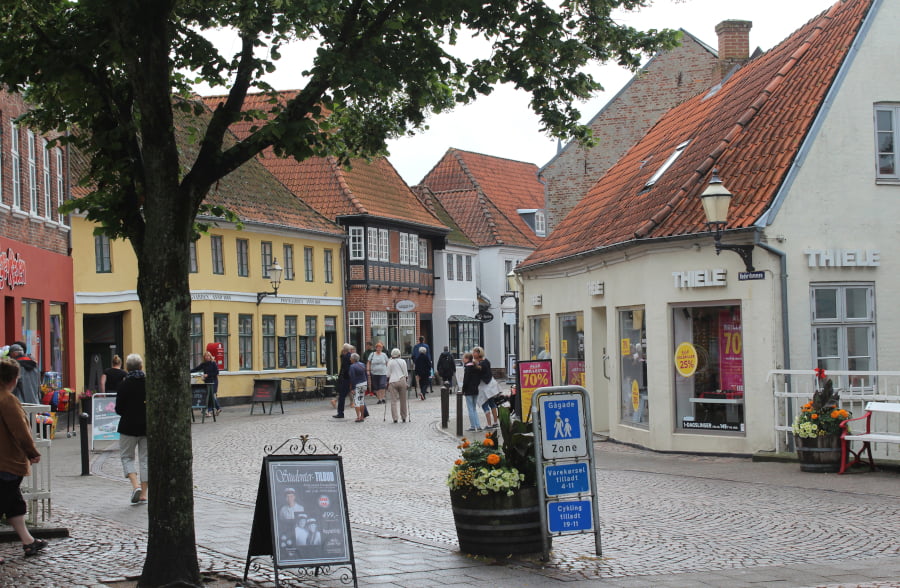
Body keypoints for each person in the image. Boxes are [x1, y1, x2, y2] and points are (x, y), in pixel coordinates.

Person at [0, 357, 48, 561]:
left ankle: (28, 542)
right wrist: (32, 452)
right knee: (4, 500)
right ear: (12, 379)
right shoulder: (7, 400)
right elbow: (20, 430)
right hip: (6, 461)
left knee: (14, 504)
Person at [115, 353, 148, 504]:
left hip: (127, 426)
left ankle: (135, 486)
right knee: (145, 459)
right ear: (141, 367)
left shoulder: (123, 385)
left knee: (127, 457)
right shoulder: (148, 383)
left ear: (127, 368)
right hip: (146, 426)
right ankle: (144, 494)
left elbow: (119, 409)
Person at [473, 346, 498, 428]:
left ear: (478, 354)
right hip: (490, 386)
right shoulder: (486, 361)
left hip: (484, 387)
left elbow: (478, 375)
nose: (473, 354)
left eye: (474, 352)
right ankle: (495, 422)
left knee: (484, 404)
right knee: (492, 404)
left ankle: (489, 424)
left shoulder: (480, 364)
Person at [191, 351, 221, 416]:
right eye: (206, 356)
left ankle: (211, 411)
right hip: (207, 381)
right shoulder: (204, 364)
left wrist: (208, 375)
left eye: (208, 356)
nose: (207, 357)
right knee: (210, 395)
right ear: (204, 357)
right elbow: (196, 369)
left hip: (213, 381)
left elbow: (216, 372)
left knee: (211, 394)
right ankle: (216, 409)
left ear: (210, 357)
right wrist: (189, 371)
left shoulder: (213, 363)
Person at [386, 348, 409, 423]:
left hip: (393, 381)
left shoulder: (390, 362)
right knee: (403, 400)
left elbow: (388, 374)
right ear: (399, 354)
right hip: (402, 380)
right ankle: (404, 417)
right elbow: (406, 373)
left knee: (393, 401)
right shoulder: (403, 361)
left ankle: (395, 418)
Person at [461, 352, 482, 432]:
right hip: (475, 390)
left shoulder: (467, 368)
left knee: (470, 409)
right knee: (474, 409)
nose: (463, 359)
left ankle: (473, 426)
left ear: (467, 359)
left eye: (464, 358)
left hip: (469, 390)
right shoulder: (476, 367)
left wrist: (463, 390)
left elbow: (465, 381)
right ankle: (478, 425)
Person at [332, 343, 353, 419]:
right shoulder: (350, 356)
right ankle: (364, 412)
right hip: (349, 378)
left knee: (342, 396)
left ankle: (340, 413)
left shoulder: (346, 357)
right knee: (356, 395)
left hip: (345, 379)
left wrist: (342, 377)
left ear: (344, 350)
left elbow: (345, 369)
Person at [349, 352, 368, 422]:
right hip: (364, 383)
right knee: (362, 401)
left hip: (357, 385)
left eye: (351, 358)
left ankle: (358, 417)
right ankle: (362, 416)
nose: (350, 359)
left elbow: (352, 378)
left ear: (353, 359)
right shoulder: (362, 364)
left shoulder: (352, 366)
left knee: (357, 401)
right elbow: (366, 374)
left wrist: (352, 388)